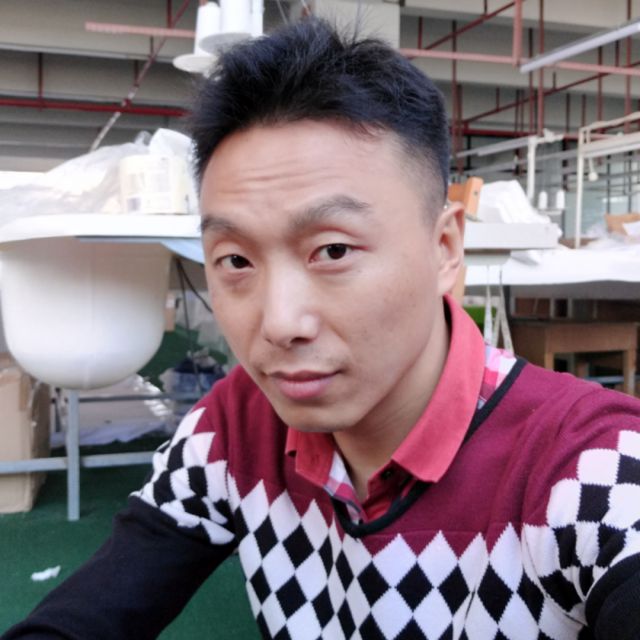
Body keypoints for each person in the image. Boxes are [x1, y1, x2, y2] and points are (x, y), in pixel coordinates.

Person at [4, 17, 640, 640]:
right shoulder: (237, 428)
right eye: (236, 261)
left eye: (333, 250)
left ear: (444, 248)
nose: (280, 323)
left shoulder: (587, 469)